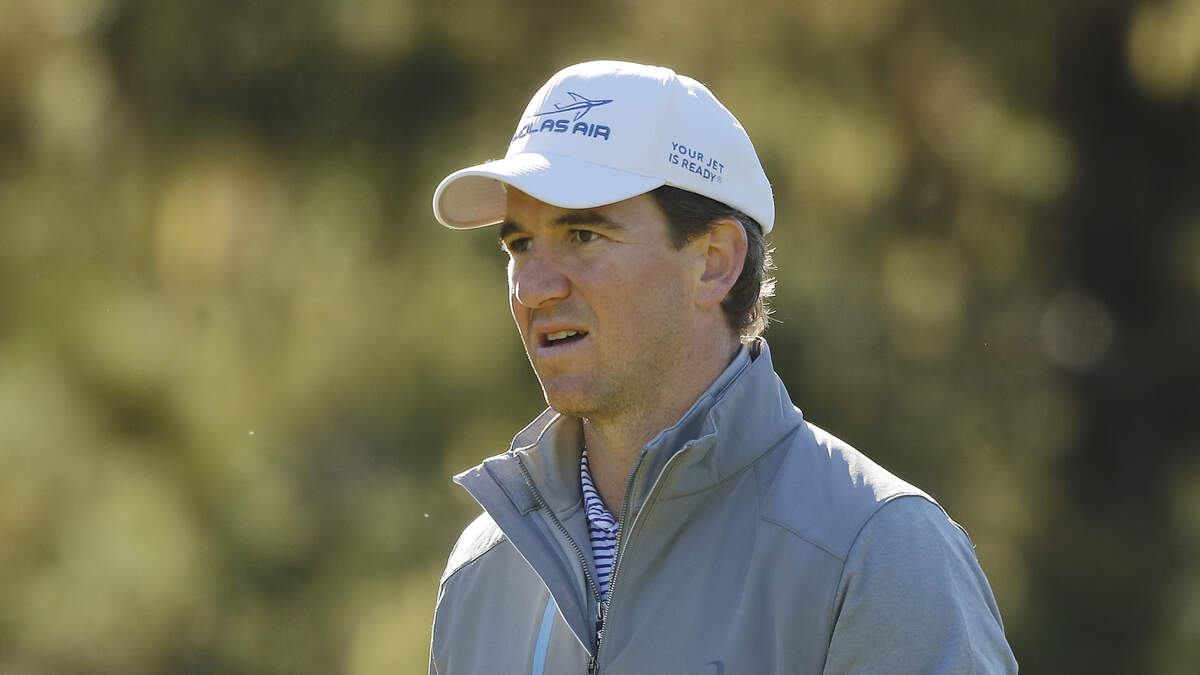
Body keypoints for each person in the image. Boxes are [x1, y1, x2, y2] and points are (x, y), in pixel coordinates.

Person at [428, 60, 1017, 674]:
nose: (532, 288)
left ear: (715, 262)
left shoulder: (879, 552)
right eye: (520, 244)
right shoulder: (480, 573)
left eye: (582, 235)